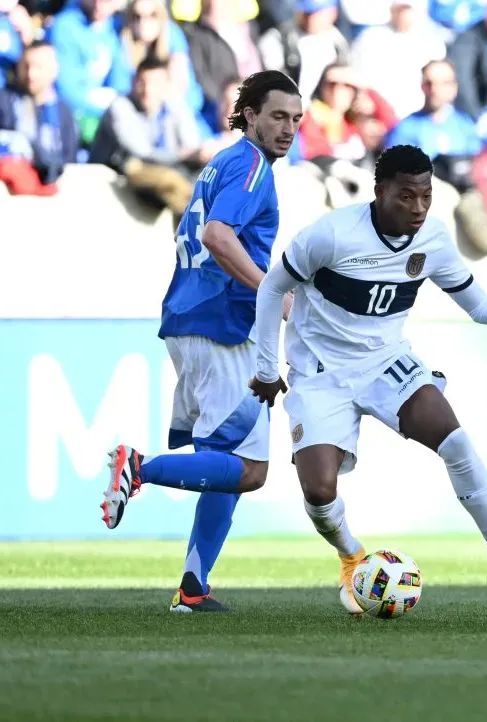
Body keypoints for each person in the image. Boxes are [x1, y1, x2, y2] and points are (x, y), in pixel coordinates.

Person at [247, 144, 487, 614]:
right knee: (319, 492)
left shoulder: (434, 240)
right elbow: (271, 287)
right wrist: (265, 366)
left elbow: (481, 305)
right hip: (320, 374)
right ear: (379, 192)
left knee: (456, 442)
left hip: (387, 364)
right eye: (406, 196)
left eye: (426, 196)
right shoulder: (330, 236)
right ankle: (350, 554)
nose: (418, 208)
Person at [100, 70, 304, 613]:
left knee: (222, 459)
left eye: (297, 119)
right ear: (252, 115)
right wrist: (272, 292)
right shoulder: (252, 166)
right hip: (225, 326)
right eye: (278, 116)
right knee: (250, 470)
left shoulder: (221, 162)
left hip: (191, 316)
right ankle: (136, 466)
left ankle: (193, 588)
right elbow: (217, 235)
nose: (289, 129)